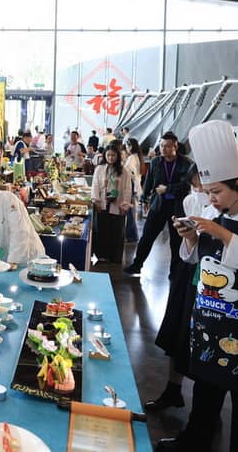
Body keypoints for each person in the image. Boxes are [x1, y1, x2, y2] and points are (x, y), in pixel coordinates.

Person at [156, 120, 238, 452]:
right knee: (205, 392)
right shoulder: (210, 211)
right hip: (208, 322)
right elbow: (193, 258)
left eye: (217, 192)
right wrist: (190, 237)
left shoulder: (219, 222)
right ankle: (192, 441)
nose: (211, 199)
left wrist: (220, 233)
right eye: (208, 192)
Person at [148, 164, 207, 414]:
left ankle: (207, 410)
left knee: (205, 341)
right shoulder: (191, 200)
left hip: (214, 282)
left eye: (205, 186)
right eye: (195, 185)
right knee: (177, 330)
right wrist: (189, 235)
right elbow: (189, 249)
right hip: (189, 271)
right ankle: (173, 389)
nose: (200, 190)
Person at [125, 131, 193, 276]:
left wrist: (168, 189)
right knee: (147, 237)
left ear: (175, 146)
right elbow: (149, 181)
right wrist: (144, 199)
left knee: (176, 241)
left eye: (167, 146)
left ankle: (174, 272)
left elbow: (187, 185)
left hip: (177, 207)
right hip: (159, 204)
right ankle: (137, 265)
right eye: (161, 146)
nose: (163, 149)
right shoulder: (156, 162)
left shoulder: (186, 163)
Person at [91, 143, 132, 265]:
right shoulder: (100, 169)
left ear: (117, 156)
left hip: (117, 204)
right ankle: (102, 255)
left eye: (113, 155)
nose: (110, 158)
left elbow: (127, 189)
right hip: (103, 203)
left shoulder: (124, 171)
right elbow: (95, 185)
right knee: (102, 230)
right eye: (108, 155)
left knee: (116, 231)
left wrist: (125, 204)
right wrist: (96, 200)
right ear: (105, 155)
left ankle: (115, 256)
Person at [123, 138, 145, 243]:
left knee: (130, 213)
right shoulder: (138, 157)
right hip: (136, 186)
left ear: (130, 146)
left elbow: (129, 172)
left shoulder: (132, 157)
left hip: (132, 186)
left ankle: (132, 236)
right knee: (132, 212)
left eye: (127, 146)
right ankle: (132, 235)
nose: (126, 148)